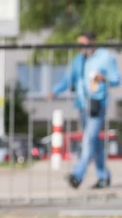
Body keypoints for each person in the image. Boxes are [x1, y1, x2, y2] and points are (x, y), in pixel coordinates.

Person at [50, 32, 120, 189]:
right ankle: (104, 177)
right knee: (94, 143)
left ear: (92, 42)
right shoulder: (78, 60)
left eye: (83, 44)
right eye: (79, 45)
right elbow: (68, 80)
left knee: (88, 139)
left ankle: (77, 175)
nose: (81, 48)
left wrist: (104, 78)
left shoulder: (105, 57)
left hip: (97, 105)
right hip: (82, 106)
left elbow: (116, 79)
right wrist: (54, 91)